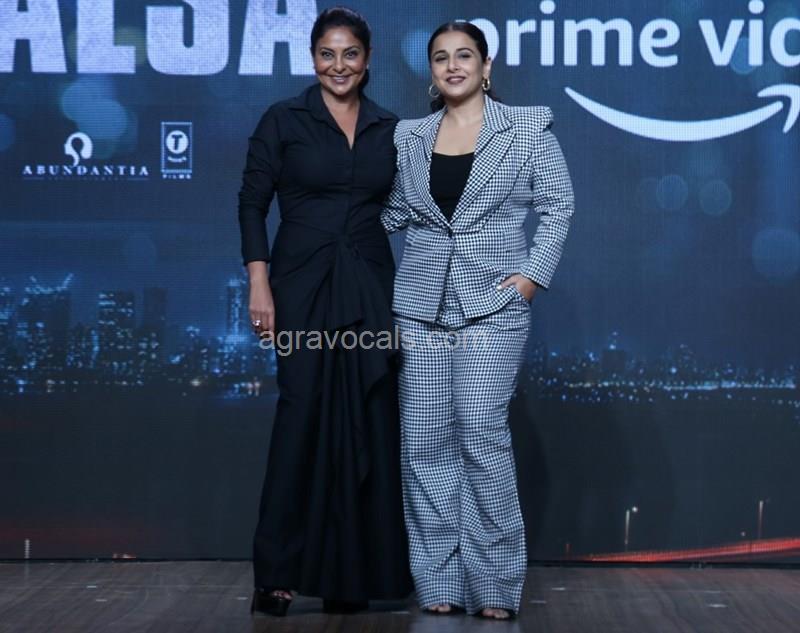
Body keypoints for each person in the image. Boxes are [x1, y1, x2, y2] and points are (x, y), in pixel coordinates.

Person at [381, 21, 574, 620]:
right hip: (421, 305)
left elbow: (559, 204)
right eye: (441, 57)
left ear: (486, 67)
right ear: (432, 72)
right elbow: (392, 212)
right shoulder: (409, 137)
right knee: (424, 444)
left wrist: (531, 277)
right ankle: (438, 580)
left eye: (464, 55)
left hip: (493, 305)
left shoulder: (527, 128)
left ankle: (494, 583)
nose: (453, 65)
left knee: (481, 435)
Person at [238, 6, 412, 617]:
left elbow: (411, 206)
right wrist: (259, 285)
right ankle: (277, 574)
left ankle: (349, 573)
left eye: (350, 54)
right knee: (301, 419)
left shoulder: (391, 127)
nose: (338, 66)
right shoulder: (283, 119)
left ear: (367, 60)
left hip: (368, 287)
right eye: (327, 54)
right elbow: (252, 204)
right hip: (301, 287)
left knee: (368, 417)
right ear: (312, 58)